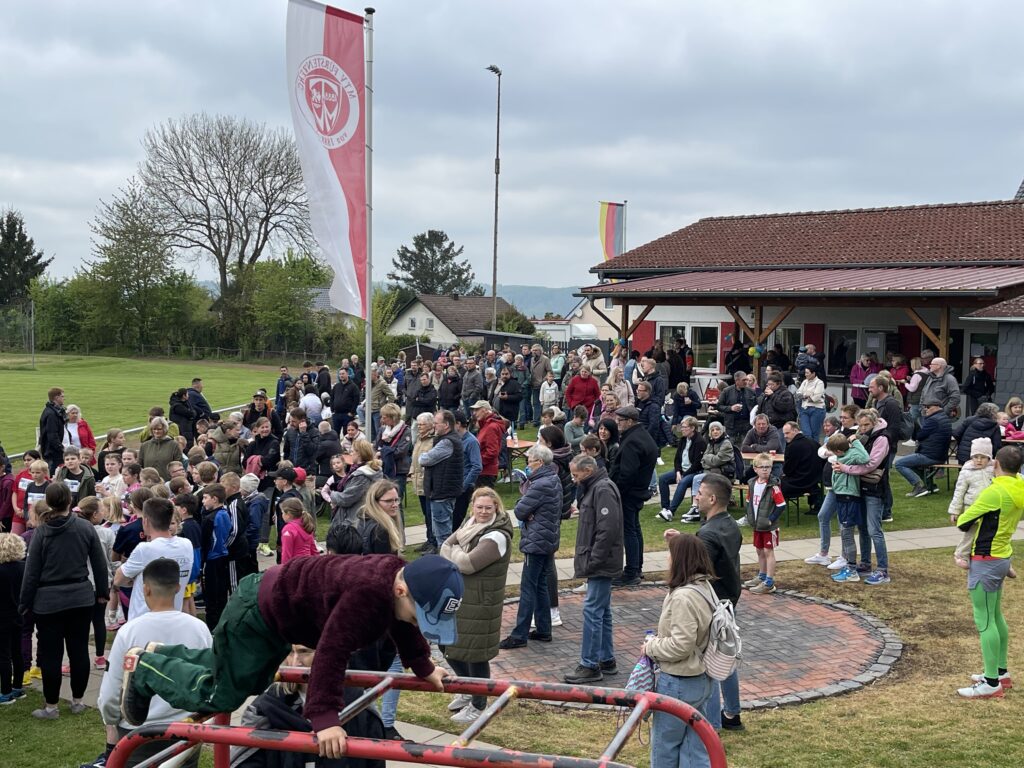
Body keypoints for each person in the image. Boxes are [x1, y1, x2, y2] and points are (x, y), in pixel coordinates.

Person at [120, 555, 459, 760]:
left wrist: (424, 667)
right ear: (402, 590)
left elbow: (402, 625)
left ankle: (162, 654)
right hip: (257, 615)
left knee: (247, 675)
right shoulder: (368, 596)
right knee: (222, 695)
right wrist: (325, 719)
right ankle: (147, 668)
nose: (417, 624)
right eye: (420, 615)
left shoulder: (396, 579)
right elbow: (331, 650)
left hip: (273, 615)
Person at [93, 558, 213, 768]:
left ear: (145, 589)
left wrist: (111, 722)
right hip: (186, 727)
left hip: (139, 732)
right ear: (178, 588)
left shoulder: (130, 632)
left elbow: (110, 693)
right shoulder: (199, 629)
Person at [18, 483, 108, 720]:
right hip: (79, 598)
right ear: (70, 500)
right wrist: (101, 592)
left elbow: (31, 572)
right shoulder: (82, 528)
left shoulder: (42, 533)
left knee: (51, 654)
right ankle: (77, 701)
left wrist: (23, 603)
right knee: (78, 650)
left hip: (49, 602)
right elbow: (99, 564)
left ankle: (52, 706)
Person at [229, 644, 387, 768]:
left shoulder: (360, 708)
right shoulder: (264, 709)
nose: (295, 662)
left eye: (304, 652)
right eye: (290, 652)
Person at [953, 446, 1024, 698]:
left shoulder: (994, 492)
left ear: (996, 465)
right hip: (1002, 555)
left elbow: (963, 521)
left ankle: (991, 683)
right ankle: (1000, 672)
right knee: (995, 615)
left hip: (986, 559)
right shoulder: (1019, 485)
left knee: (984, 621)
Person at [644, 532, 719, 768]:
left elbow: (681, 645)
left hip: (678, 681)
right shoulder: (705, 587)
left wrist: (650, 647)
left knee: (665, 746)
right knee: (696, 748)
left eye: (670, 554)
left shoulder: (683, 597)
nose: (668, 559)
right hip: (702, 679)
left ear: (679, 559)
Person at [439, 487, 513, 722]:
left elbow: (468, 564)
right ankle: (467, 687)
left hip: (481, 601)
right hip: (461, 596)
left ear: (496, 508)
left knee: (475, 652)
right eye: (479, 507)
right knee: (445, 643)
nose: (482, 511)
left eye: (488, 508)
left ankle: (478, 704)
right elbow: (443, 548)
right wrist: (455, 554)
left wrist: (456, 552)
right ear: (473, 506)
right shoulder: (469, 524)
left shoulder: (496, 536)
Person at [562, 455, 622, 683]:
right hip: (600, 560)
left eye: (576, 475)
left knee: (593, 610)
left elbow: (608, 529)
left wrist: (594, 560)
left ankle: (589, 664)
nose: (574, 480)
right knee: (602, 609)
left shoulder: (602, 489)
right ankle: (606, 659)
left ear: (588, 471)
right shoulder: (596, 487)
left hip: (600, 562)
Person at [499, 445, 562, 649]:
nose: (528, 464)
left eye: (530, 461)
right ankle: (544, 629)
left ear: (539, 462)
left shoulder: (539, 484)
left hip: (536, 541)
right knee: (541, 583)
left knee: (528, 587)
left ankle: (519, 634)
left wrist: (526, 507)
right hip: (547, 539)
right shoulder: (553, 479)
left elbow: (519, 510)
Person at [832, 410, 892, 585]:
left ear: (874, 423)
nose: (863, 428)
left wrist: (846, 468)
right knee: (863, 528)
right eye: (861, 425)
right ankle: (865, 563)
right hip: (861, 488)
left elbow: (870, 464)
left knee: (874, 530)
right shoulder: (861, 437)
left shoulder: (882, 438)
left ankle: (882, 570)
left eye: (867, 425)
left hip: (875, 489)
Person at [114, 497, 194, 621]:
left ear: (145, 521)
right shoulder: (186, 545)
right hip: (173, 616)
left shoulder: (145, 549)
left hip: (144, 618)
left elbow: (118, 580)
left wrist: (134, 579)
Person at [804, 432, 870, 570]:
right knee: (827, 518)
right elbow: (822, 452)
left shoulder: (851, 454)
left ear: (839, 451)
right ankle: (827, 555)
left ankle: (848, 562)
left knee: (846, 531)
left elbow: (865, 458)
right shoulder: (842, 452)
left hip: (848, 496)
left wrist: (856, 442)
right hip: (837, 492)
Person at [609, 406, 659, 586]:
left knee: (629, 531)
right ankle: (636, 567)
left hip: (629, 493)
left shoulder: (632, 441)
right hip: (637, 491)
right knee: (634, 529)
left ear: (630, 421)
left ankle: (631, 572)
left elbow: (627, 473)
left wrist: (616, 492)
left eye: (620, 420)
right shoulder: (642, 436)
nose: (617, 423)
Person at [949, 438, 997, 569]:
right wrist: (955, 511)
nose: (979, 460)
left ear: (989, 458)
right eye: (976, 457)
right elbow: (959, 492)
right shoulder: (966, 472)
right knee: (970, 533)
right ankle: (961, 554)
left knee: (992, 534)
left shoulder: (994, 470)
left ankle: (994, 557)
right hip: (973, 508)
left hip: (991, 510)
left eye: (983, 457)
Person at [743, 454, 786, 594]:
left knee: (768, 551)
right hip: (757, 525)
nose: (765, 470)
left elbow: (781, 505)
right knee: (759, 550)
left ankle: (769, 581)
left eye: (768, 467)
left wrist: (771, 519)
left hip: (768, 526)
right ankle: (761, 575)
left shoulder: (773, 487)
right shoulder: (752, 484)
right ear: (755, 469)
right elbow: (749, 502)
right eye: (762, 467)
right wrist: (750, 517)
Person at [895, 404, 952, 497]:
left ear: (937, 407)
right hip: (939, 455)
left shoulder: (933, 420)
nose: (926, 409)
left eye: (928, 407)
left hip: (931, 455)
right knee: (912, 464)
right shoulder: (943, 417)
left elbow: (920, 436)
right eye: (925, 407)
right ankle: (930, 486)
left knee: (899, 464)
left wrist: (916, 427)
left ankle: (918, 486)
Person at [656, 416, 706, 523]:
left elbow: (697, 464)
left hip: (694, 472)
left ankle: (671, 511)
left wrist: (684, 474)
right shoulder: (683, 440)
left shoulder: (700, 441)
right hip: (682, 470)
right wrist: (678, 471)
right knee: (663, 479)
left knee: (683, 482)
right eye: (681, 427)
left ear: (692, 428)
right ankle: (665, 507)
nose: (682, 429)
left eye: (684, 427)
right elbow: (677, 459)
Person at [328, 440, 383, 525]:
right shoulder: (367, 471)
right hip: (360, 517)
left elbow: (346, 499)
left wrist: (332, 494)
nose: (350, 453)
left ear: (359, 454)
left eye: (352, 451)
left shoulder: (362, 475)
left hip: (354, 520)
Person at [0, 533, 26, 705]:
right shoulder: (24, 568)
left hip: (2, 615)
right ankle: (17, 686)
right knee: (17, 651)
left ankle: (5, 691)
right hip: (19, 614)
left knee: (3, 654)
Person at [779, 422, 823, 512]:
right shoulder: (814, 443)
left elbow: (788, 470)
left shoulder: (792, 446)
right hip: (815, 480)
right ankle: (816, 501)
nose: (785, 436)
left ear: (796, 431)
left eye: (787, 433)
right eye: (784, 433)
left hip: (799, 482)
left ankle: (775, 509)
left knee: (776, 484)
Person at [471, 401, 505, 488]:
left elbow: (492, 452)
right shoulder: (486, 425)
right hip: (483, 470)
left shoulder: (491, 427)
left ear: (485, 410)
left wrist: (478, 462)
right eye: (474, 410)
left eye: (477, 410)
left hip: (486, 471)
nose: (474, 413)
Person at [39, 387, 67, 474]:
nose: (64, 398)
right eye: (62, 396)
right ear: (56, 397)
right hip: (53, 453)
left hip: (52, 450)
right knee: (55, 474)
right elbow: (52, 435)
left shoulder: (53, 411)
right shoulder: (51, 414)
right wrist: (61, 448)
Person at [796, 366, 827, 439]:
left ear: (813, 373)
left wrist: (805, 395)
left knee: (814, 433)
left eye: (807, 373)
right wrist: (807, 395)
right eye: (805, 373)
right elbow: (798, 394)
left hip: (817, 409)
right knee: (806, 433)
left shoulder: (819, 383)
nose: (805, 374)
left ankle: (814, 449)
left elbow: (815, 398)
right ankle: (808, 449)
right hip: (804, 409)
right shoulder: (804, 382)